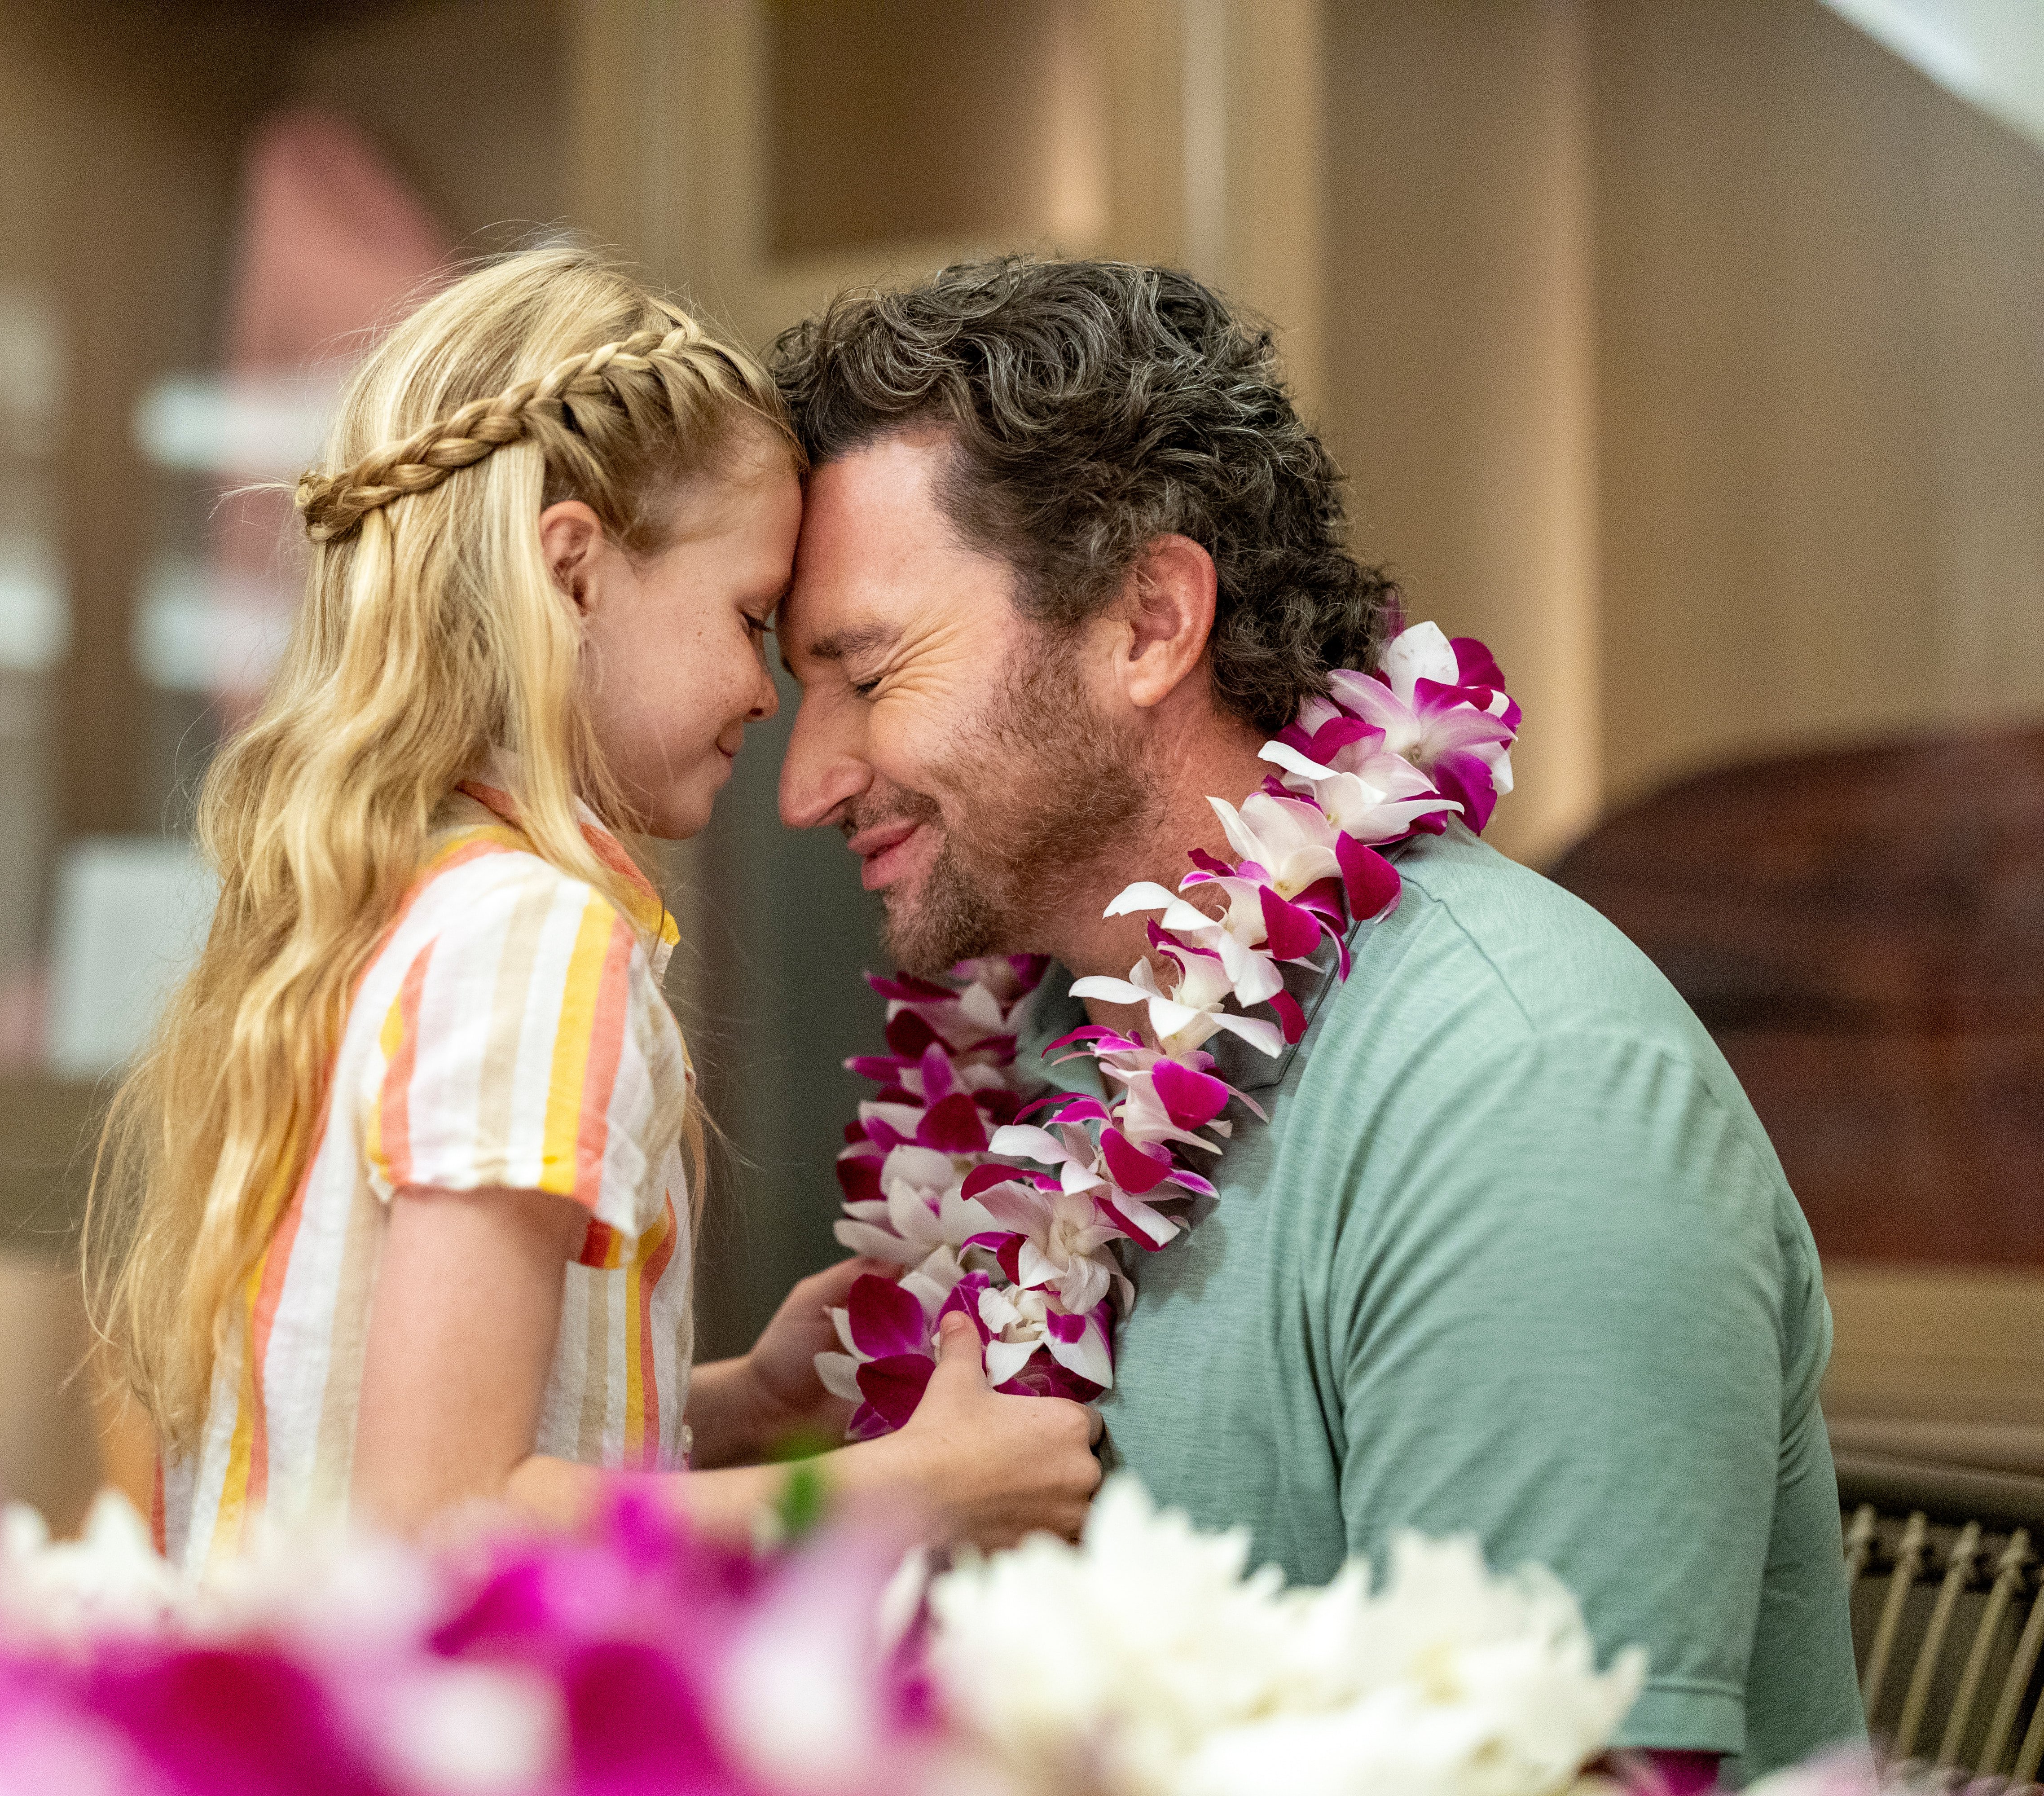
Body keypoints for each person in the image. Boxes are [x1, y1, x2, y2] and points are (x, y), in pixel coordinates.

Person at [768, 256, 1866, 1784]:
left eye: (869, 673)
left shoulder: (1526, 1094)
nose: (805, 784)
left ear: (1148, 621)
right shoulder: (1039, 1053)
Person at [85, 246, 1100, 1571]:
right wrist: (918, 1492)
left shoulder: (388, 903)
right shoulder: (534, 938)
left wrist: (734, 1403)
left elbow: (372, 1437)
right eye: (747, 620)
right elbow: (443, 1518)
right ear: (571, 573)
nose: (764, 694)